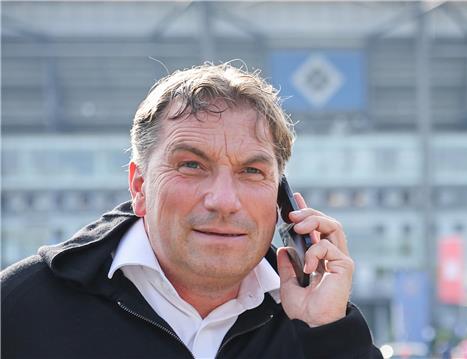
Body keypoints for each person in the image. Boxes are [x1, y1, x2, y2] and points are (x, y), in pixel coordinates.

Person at [1, 63, 382, 359]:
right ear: (139, 186)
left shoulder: (312, 320)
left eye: (251, 171)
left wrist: (329, 335)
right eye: (191, 166)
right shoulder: (18, 309)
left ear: (282, 199)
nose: (224, 200)